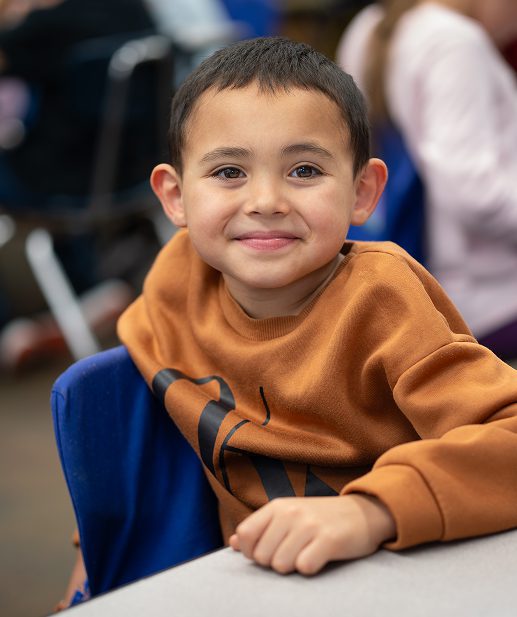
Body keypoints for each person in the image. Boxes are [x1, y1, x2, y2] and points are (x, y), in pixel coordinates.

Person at [60, 36, 517, 606]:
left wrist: (370, 510)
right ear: (176, 197)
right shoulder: (175, 287)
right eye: (229, 171)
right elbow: (136, 451)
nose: (267, 200)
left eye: (304, 169)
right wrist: (90, 562)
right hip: (242, 588)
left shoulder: (382, 300)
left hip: (396, 581)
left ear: (362, 191)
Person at [336, 0, 517, 361]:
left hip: (420, 290)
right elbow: (474, 193)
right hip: (487, 302)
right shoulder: (455, 41)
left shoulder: (368, 26)